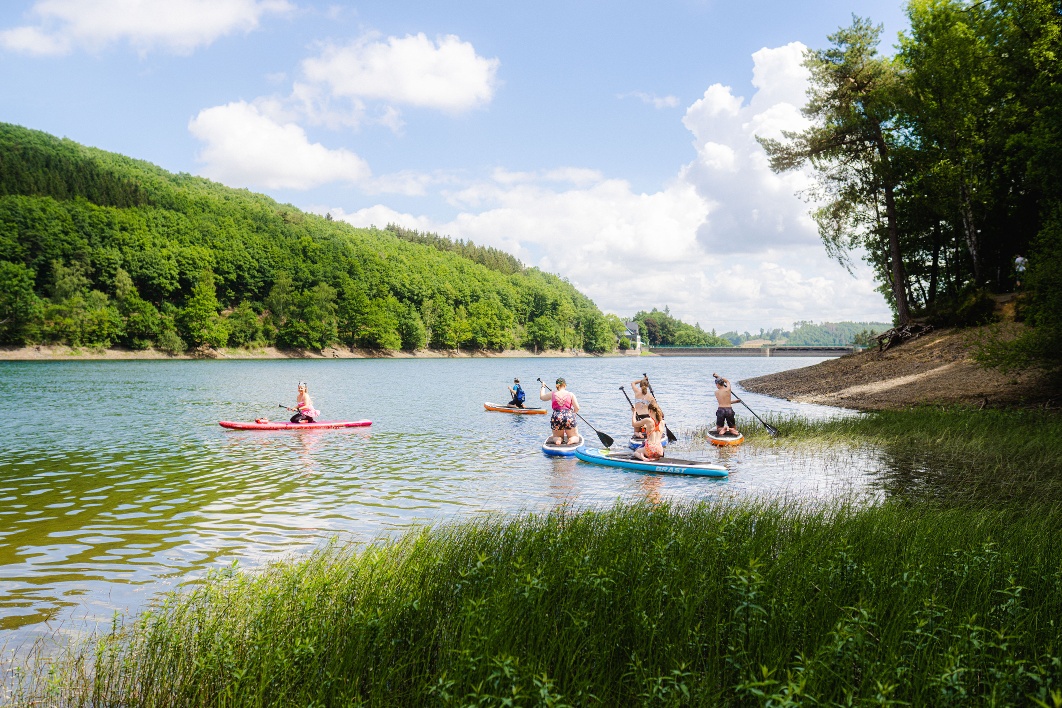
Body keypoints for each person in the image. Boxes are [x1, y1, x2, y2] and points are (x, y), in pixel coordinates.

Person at [540, 377, 581, 445]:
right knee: (575, 436)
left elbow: (542, 397)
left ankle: (558, 440)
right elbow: (577, 408)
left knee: (556, 436)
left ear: (557, 386)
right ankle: (571, 439)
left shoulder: (552, 394)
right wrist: (573, 412)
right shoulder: (570, 394)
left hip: (557, 417)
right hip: (568, 416)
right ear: (565, 385)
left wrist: (543, 386)